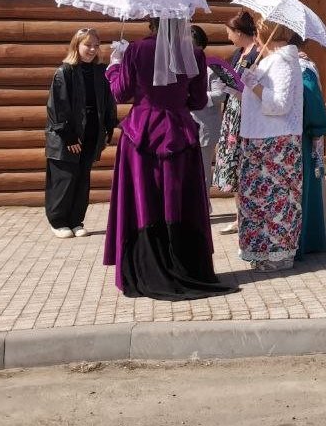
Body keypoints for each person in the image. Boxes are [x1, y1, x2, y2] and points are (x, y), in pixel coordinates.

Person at [103, 18, 235, 300]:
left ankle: (145, 267)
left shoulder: (136, 50)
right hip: (179, 132)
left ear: (151, 20)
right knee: (179, 201)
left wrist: (114, 65)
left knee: (144, 200)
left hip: (143, 133)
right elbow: (198, 101)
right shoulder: (194, 54)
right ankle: (186, 266)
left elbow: (120, 92)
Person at [236, 21, 304, 271]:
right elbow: (259, 98)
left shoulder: (284, 61)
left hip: (276, 142)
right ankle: (261, 253)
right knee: (257, 202)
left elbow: (280, 104)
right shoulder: (270, 59)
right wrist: (239, 86)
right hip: (261, 140)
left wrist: (253, 85)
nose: (255, 35)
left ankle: (277, 256)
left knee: (275, 202)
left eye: (258, 30)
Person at [44, 28, 117, 238]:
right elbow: (57, 108)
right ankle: (58, 222)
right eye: (88, 45)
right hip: (67, 137)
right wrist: (68, 136)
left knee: (82, 179)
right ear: (77, 45)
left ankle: (76, 220)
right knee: (64, 179)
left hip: (91, 134)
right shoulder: (64, 72)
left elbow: (108, 102)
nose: (92, 49)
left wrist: (108, 127)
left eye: (96, 45)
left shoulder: (100, 72)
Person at [213, 10, 261, 234]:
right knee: (233, 164)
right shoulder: (238, 53)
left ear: (240, 32)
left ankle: (249, 217)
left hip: (247, 112)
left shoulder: (259, 53)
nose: (228, 36)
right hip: (233, 111)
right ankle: (238, 216)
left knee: (244, 164)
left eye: (229, 32)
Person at [293, 35, 326, 259]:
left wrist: (316, 130)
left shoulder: (303, 67)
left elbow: (312, 99)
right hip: (290, 133)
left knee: (307, 183)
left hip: (302, 133)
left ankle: (306, 238)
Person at [189, 25, 238, 192]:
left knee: (202, 170)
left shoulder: (210, 68)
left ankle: (204, 209)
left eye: (191, 44)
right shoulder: (180, 68)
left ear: (200, 45)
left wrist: (197, 98)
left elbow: (220, 95)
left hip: (204, 126)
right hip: (184, 126)